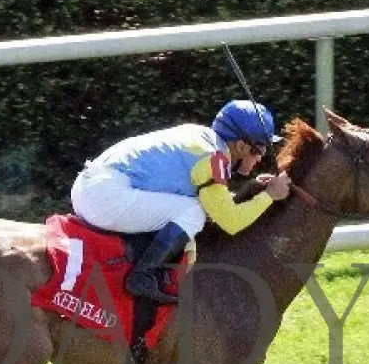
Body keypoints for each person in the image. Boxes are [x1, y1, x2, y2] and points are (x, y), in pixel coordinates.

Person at [70, 99, 292, 304]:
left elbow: (215, 203)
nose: (260, 157)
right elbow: (230, 222)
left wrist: (250, 189)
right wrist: (270, 196)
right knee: (193, 211)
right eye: (259, 148)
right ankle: (142, 276)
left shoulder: (202, 137)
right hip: (104, 197)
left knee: (192, 208)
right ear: (241, 146)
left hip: (91, 187)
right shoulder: (212, 159)